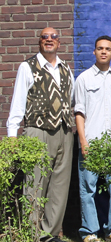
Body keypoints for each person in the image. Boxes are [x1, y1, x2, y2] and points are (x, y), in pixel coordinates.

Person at [6, 27, 74, 242]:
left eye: (53, 37)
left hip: (64, 130)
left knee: (59, 186)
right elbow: (17, 102)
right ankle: (32, 233)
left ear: (59, 42)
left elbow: (69, 100)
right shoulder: (27, 67)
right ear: (39, 42)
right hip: (37, 129)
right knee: (35, 181)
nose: (49, 40)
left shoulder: (66, 69)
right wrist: (12, 135)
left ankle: (50, 234)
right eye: (45, 37)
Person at [75, 35, 111, 242]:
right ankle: (90, 232)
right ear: (94, 52)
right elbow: (79, 112)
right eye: (100, 48)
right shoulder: (84, 79)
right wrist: (83, 141)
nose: (103, 52)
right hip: (92, 143)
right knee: (88, 189)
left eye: (107, 49)